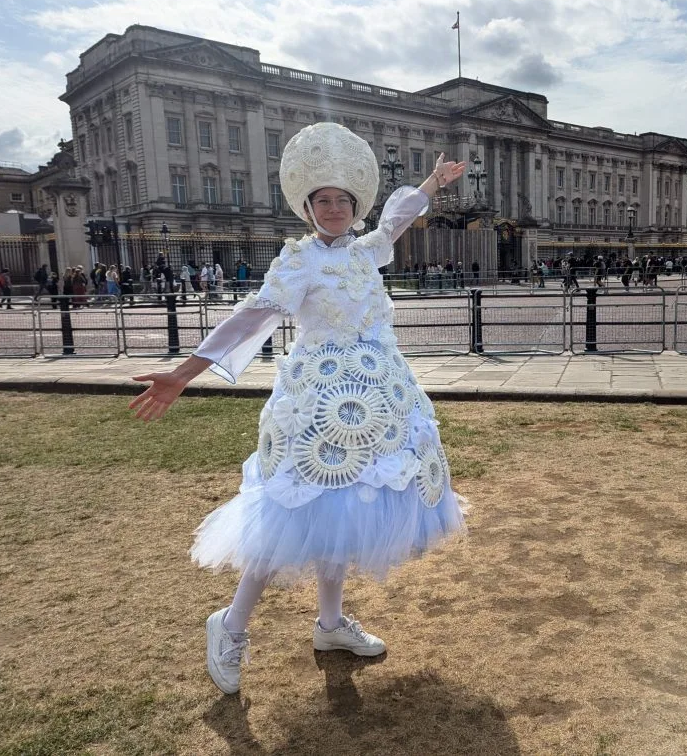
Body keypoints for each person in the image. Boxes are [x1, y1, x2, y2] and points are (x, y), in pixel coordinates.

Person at [129, 123, 469, 696]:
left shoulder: (367, 251)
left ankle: (330, 625)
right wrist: (184, 375)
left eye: (343, 200)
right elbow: (251, 318)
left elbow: (396, 219)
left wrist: (433, 183)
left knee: (345, 511)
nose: (334, 209)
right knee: (293, 510)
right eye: (322, 200)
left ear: (355, 207)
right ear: (308, 209)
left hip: (378, 399)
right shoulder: (298, 261)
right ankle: (230, 625)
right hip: (319, 402)